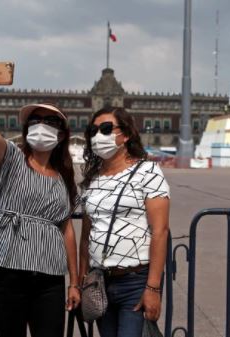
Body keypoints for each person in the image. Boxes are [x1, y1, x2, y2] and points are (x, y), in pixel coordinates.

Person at [0, 60, 80, 337]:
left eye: (50, 121)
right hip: (7, 272)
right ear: (26, 129)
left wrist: (74, 281)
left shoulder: (62, 177)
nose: (41, 126)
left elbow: (67, 230)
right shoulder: (12, 158)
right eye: (35, 121)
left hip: (50, 277)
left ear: (61, 134)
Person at [78, 106, 170, 336]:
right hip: (100, 282)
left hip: (135, 281)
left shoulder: (148, 172)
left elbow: (160, 230)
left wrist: (153, 287)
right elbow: (86, 234)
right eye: (93, 130)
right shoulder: (93, 177)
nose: (99, 135)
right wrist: (80, 280)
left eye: (107, 128)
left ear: (126, 134)